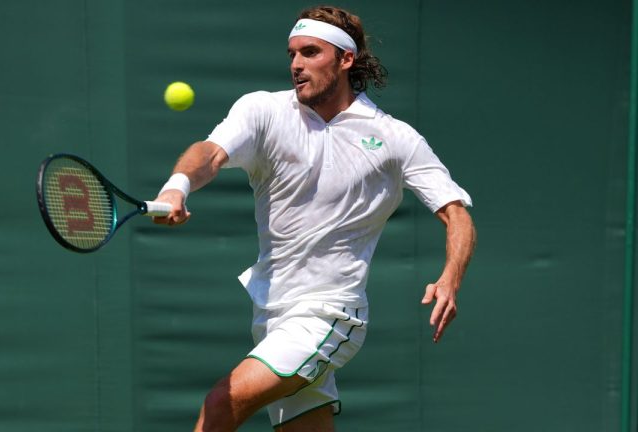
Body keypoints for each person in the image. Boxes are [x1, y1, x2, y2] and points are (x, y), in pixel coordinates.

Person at [152, 5, 476, 432]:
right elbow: (209, 154)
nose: (296, 64)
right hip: (270, 313)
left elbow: (456, 213)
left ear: (346, 59)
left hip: (331, 311)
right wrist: (177, 186)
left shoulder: (395, 138)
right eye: (292, 54)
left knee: (221, 402)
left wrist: (451, 277)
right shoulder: (262, 110)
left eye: (310, 52)